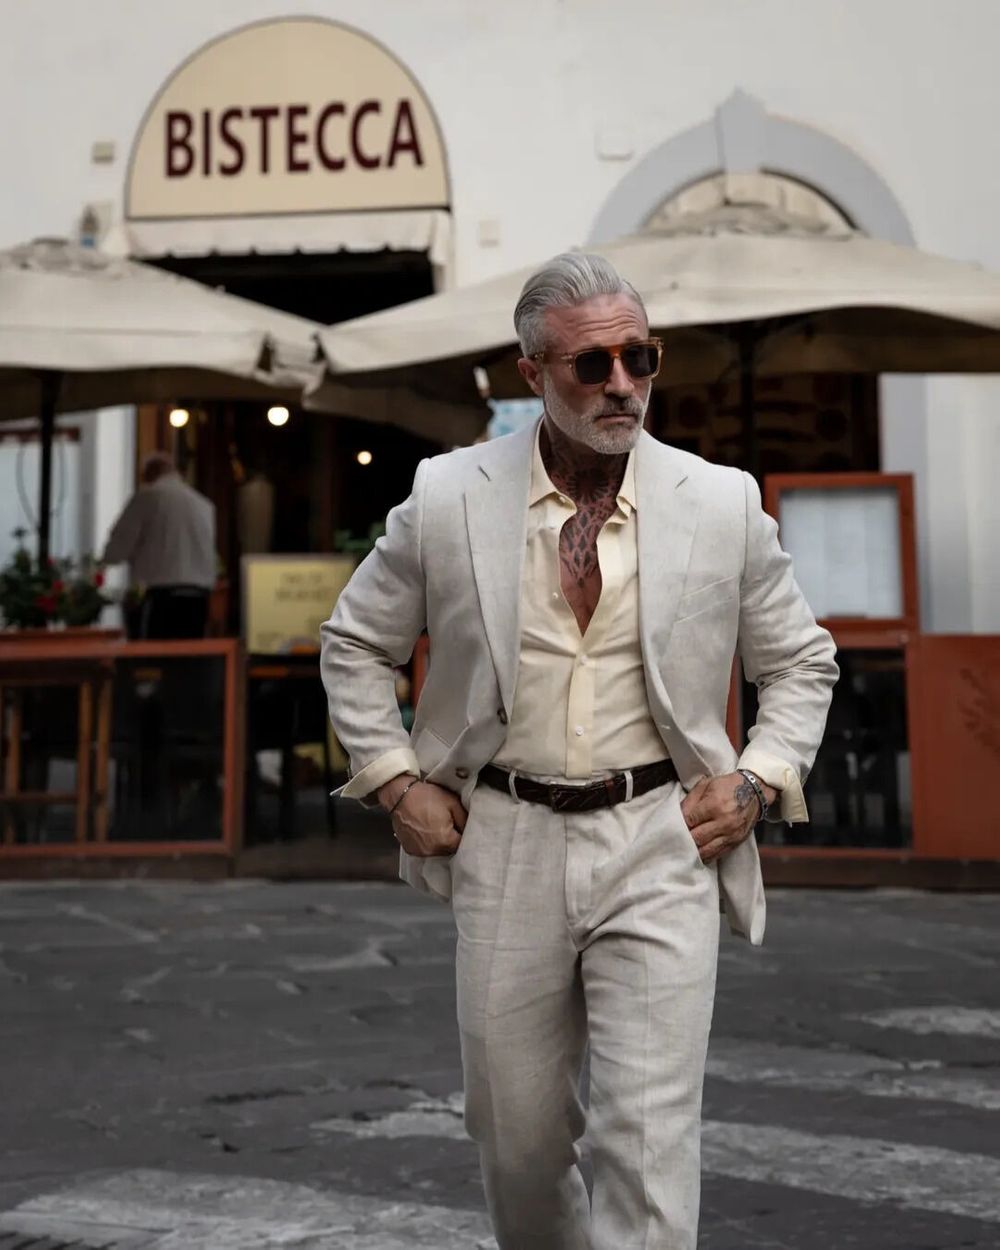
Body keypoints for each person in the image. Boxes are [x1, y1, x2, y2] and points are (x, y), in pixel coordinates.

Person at [320, 253, 838, 1249]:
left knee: (645, 1142)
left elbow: (801, 661)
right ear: (531, 373)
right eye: (589, 364)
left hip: (660, 834)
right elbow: (355, 641)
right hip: (505, 833)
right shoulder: (446, 496)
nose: (621, 385)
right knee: (515, 1137)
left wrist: (758, 777)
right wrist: (392, 781)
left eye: (638, 358)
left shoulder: (718, 500)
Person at [103, 451, 216, 639]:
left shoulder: (147, 497)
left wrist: (107, 558)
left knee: (156, 663)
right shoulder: (203, 504)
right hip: (198, 598)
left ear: (148, 474)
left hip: (161, 597)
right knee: (190, 660)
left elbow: (116, 550)